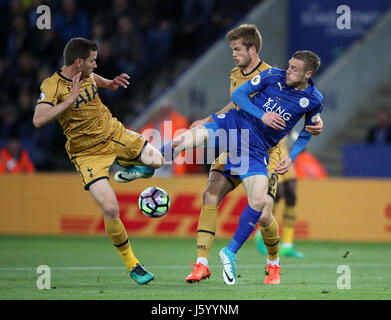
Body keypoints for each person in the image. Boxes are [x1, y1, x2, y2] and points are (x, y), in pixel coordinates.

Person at [160, 50, 324, 285]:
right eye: (288, 66)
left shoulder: (313, 99)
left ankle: (273, 263)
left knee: (265, 213)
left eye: (238, 49)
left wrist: (293, 156)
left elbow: (311, 128)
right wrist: (259, 115)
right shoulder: (263, 75)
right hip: (234, 134)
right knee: (208, 190)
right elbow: (238, 95)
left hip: (263, 152)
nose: (234, 55)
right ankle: (202, 264)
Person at [32, 37, 164, 285]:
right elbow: (38, 119)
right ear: (79, 62)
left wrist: (110, 84)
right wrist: (69, 101)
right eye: (93, 60)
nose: (96, 63)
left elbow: (94, 79)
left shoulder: (88, 74)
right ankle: (133, 265)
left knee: (157, 160)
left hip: (113, 133)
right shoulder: (52, 86)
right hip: (87, 154)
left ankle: (133, 169)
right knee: (111, 209)